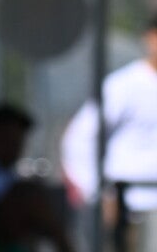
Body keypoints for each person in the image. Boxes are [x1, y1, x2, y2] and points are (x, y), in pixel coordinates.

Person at [61, 12, 157, 214]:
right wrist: (98, 193)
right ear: (149, 37)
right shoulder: (123, 85)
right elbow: (79, 139)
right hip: (130, 209)